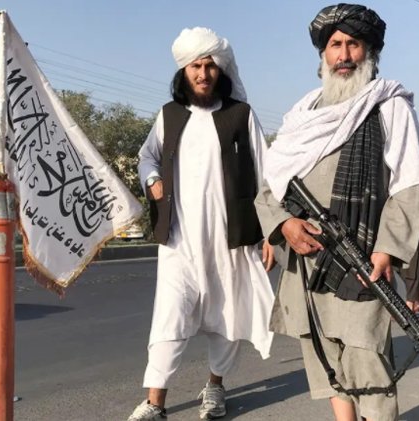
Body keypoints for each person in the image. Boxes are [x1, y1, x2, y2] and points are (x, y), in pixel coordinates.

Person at [254, 4, 419, 421]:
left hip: (362, 257)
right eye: (335, 45)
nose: (344, 55)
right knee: (325, 359)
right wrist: (283, 224)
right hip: (307, 258)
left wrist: (387, 250)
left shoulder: (388, 106)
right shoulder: (303, 114)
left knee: (367, 360)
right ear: (323, 55)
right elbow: (270, 183)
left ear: (370, 52)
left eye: (353, 44)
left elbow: (409, 186)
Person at [128, 27, 274, 420]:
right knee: (170, 317)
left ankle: (215, 387)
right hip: (179, 241)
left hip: (231, 238)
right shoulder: (169, 115)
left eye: (210, 66)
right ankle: (155, 403)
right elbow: (147, 157)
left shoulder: (240, 114)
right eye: (196, 66)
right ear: (184, 71)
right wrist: (152, 180)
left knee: (227, 317)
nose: (203, 73)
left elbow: (267, 173)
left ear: (220, 70)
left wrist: (271, 234)